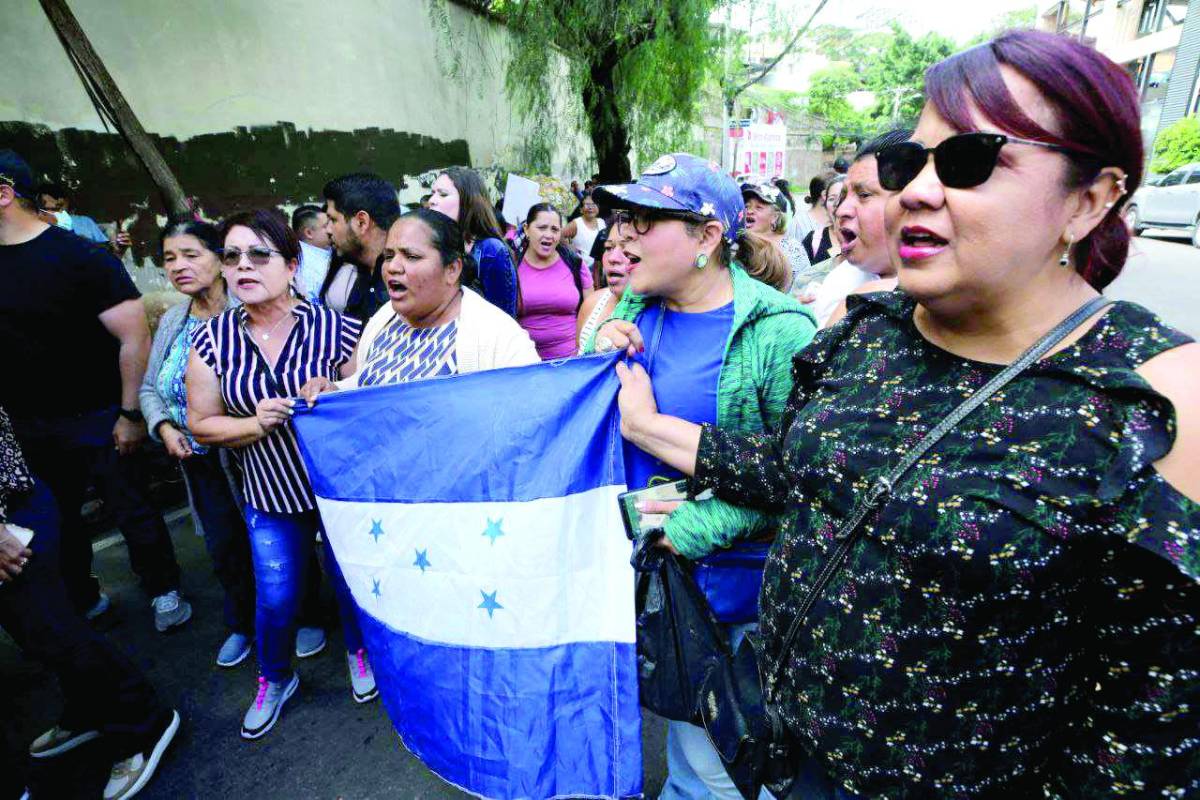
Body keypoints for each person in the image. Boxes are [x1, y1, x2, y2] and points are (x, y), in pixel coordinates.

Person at [611, 31, 1200, 797]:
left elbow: (1144, 748)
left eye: (970, 160)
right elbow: (794, 470)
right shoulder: (864, 331)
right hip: (779, 760)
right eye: (906, 164)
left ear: (1089, 200)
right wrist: (646, 427)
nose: (917, 191)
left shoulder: (1154, 403)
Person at [588, 152, 817, 800]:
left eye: (645, 219)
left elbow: (798, 478)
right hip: (656, 579)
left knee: (727, 768)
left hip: (736, 591)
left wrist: (683, 532)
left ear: (708, 237)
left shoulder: (779, 332)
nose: (622, 235)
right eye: (622, 218)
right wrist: (597, 344)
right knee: (695, 752)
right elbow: (593, 423)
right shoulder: (634, 305)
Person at [186, 209, 374, 739]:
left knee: (350, 581)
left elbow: (370, 403)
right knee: (277, 597)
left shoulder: (336, 328)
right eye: (232, 256)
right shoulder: (212, 341)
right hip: (269, 493)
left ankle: (359, 652)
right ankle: (275, 677)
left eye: (259, 254)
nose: (243, 266)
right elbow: (201, 424)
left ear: (292, 265)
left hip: (338, 491)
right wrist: (252, 424)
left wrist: (336, 390)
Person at [0, 149, 190, 633]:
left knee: (130, 506)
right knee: (58, 520)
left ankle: (163, 588)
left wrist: (129, 414)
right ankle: (83, 597)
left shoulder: (80, 257)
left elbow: (135, 337)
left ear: (4, 194)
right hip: (26, 425)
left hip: (99, 414)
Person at [139, 219, 327, 668]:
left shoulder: (264, 309)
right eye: (169, 258)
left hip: (259, 462)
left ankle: (307, 616)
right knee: (224, 546)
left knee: (286, 545)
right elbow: (150, 386)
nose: (178, 267)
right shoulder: (175, 322)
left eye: (191, 255)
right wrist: (164, 426)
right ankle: (244, 624)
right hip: (199, 460)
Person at [0, 405, 180, 800]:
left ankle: (142, 724)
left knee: (54, 630)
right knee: (35, 635)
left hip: (11, 514)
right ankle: (88, 710)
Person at [299, 208, 537, 402]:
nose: (393, 267)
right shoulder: (382, 320)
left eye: (411, 256)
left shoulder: (500, 338)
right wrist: (335, 391)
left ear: (452, 269)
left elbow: (529, 417)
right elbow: (367, 384)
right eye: (389, 256)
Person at [809, 130, 910, 327]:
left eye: (864, 195)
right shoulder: (840, 280)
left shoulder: (946, 302)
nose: (841, 211)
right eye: (842, 197)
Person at [426, 166, 520, 318]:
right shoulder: (432, 246)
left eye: (443, 194)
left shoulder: (490, 251)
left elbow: (503, 321)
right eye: (432, 193)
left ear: (467, 202)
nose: (432, 201)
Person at [517, 203, 594, 359]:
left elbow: (592, 313)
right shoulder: (512, 265)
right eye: (542, 228)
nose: (549, 235)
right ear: (526, 229)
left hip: (571, 361)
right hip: (524, 362)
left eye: (554, 229)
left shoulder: (575, 263)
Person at [321, 173, 400, 322]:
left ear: (362, 222)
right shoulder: (363, 272)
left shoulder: (402, 281)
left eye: (333, 219)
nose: (328, 230)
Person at [741, 181, 809, 290]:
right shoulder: (736, 244)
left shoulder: (791, 248)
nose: (749, 211)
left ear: (775, 217)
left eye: (759, 207)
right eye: (746, 206)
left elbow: (803, 287)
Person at [575, 228, 631, 350]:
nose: (613, 258)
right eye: (608, 248)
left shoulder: (662, 313)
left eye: (627, 249)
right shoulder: (592, 302)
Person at [35, 181, 109, 245]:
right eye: (50, 208)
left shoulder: (85, 222)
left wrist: (89, 244)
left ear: (66, 202)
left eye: (60, 205)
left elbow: (107, 248)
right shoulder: (36, 229)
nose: (58, 212)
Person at [800, 176, 845, 265]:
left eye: (842, 198)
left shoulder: (867, 241)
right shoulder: (813, 239)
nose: (836, 204)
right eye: (831, 199)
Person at [563, 191, 606, 270]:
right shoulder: (576, 223)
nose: (590, 207)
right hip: (584, 268)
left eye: (594, 204)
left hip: (600, 266)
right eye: (587, 205)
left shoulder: (601, 222)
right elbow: (559, 236)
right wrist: (569, 248)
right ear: (581, 209)